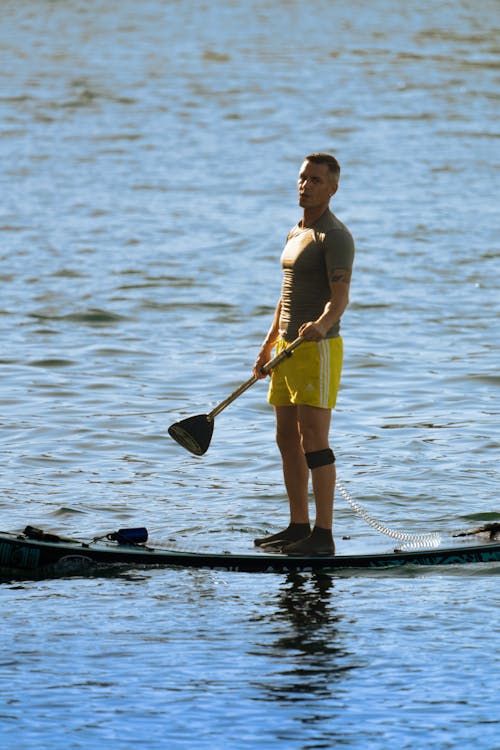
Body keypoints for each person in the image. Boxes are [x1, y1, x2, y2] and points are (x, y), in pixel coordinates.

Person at [252, 153, 354, 555]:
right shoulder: (294, 234)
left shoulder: (335, 236)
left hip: (317, 349)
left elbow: (340, 296)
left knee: (313, 439)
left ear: (332, 188)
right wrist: (267, 343)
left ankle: (323, 535)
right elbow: (285, 296)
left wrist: (323, 325)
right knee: (286, 438)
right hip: (286, 349)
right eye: (302, 178)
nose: (305, 185)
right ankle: (298, 526)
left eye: (315, 180)